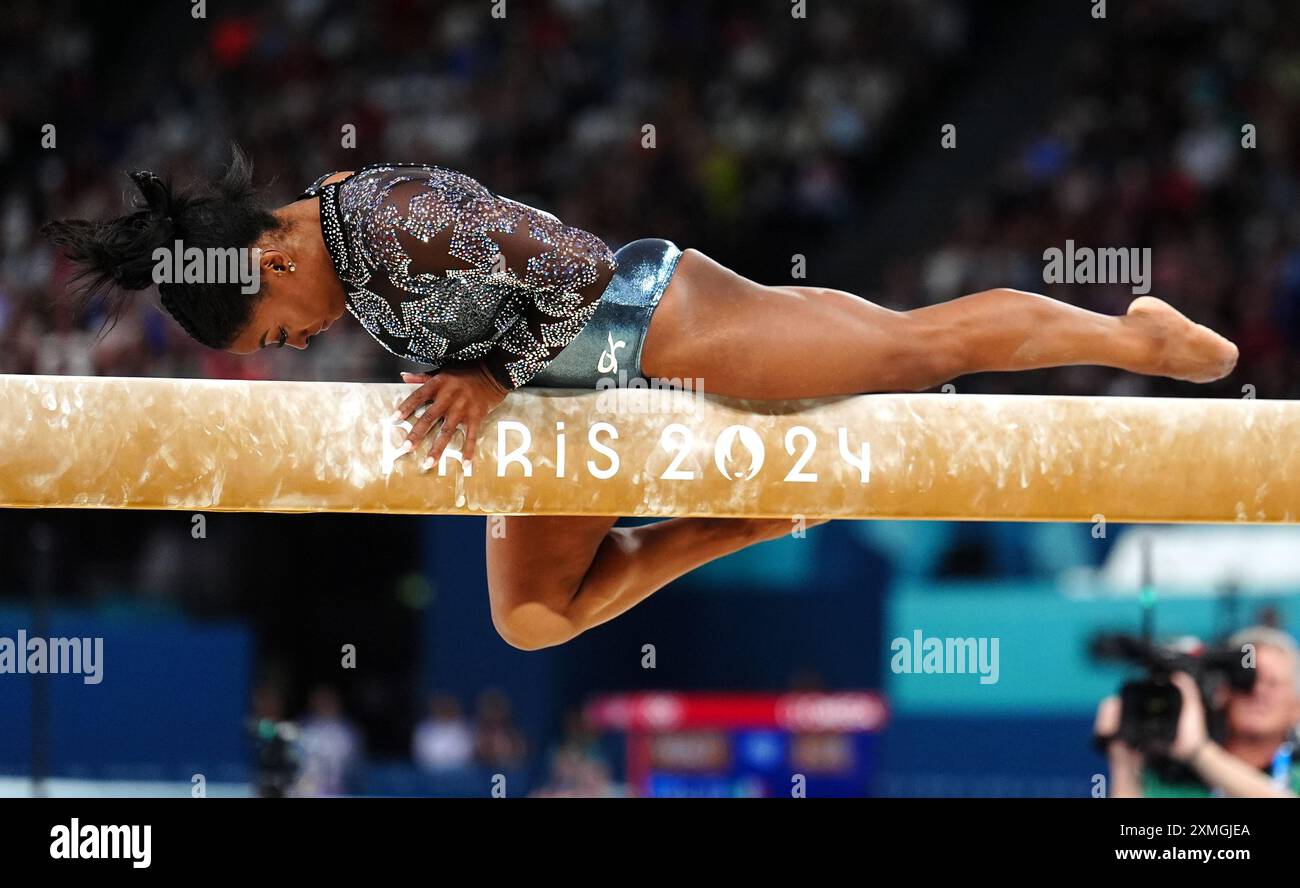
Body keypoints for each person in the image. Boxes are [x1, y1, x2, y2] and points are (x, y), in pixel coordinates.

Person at [44, 148, 1240, 650]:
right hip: (567, 409)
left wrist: (485, 373)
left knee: (904, 354)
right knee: (532, 621)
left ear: (263, 263)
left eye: (274, 330)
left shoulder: (389, 219)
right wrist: (490, 378)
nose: (297, 343)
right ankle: (746, 521)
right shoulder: (330, 238)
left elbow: (572, 264)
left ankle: (1122, 331)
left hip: (658, 328)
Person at [1094, 626, 1300, 798]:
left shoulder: (1295, 776)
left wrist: (1199, 752)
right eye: (1246, 681)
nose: (1257, 692)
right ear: (1221, 693)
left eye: (1273, 684)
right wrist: (1123, 764)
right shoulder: (1170, 779)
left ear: (1297, 708)